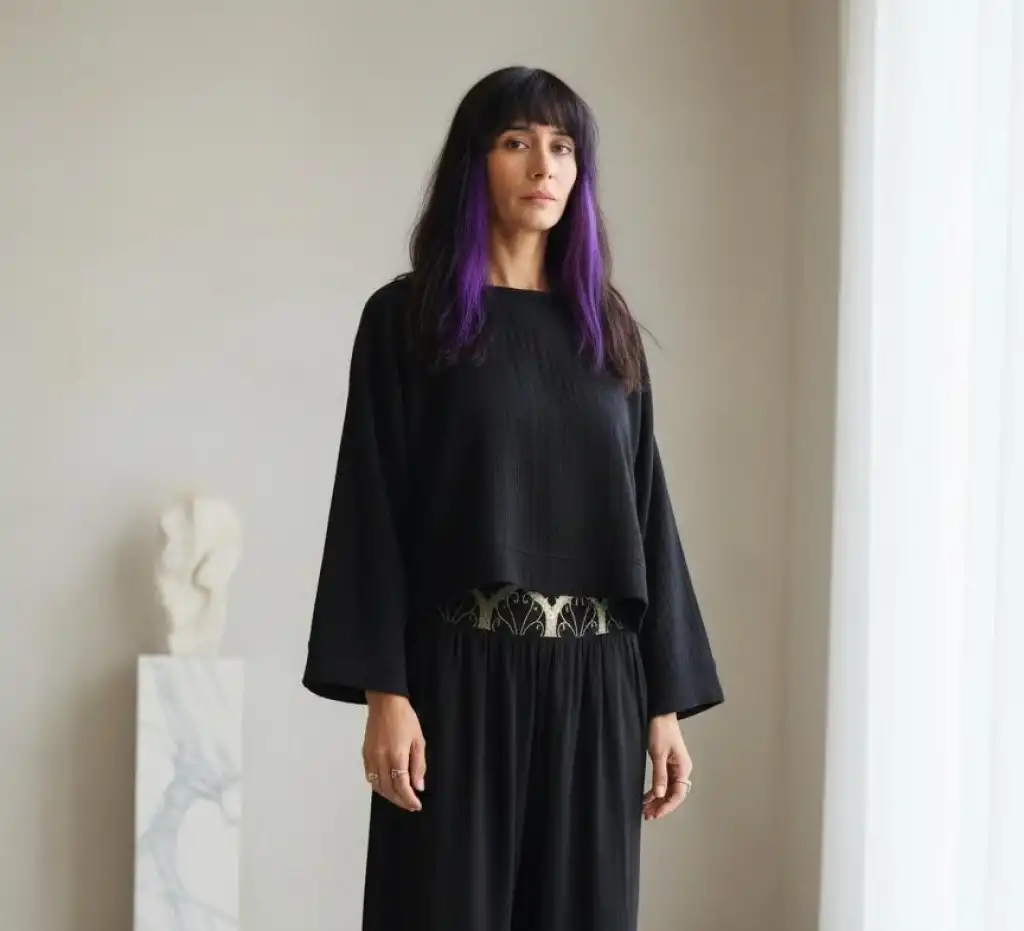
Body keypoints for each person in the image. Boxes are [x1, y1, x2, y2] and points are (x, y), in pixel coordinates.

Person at [302, 65, 724, 931]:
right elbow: (371, 507)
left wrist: (663, 701)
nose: (544, 165)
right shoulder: (408, 319)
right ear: (475, 163)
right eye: (516, 142)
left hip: (597, 683)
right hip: (459, 678)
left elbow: (646, 508)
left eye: (563, 147)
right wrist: (386, 692)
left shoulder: (605, 326)